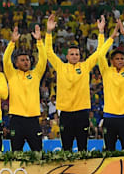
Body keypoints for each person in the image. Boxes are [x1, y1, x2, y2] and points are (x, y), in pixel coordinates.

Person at [45, 14, 107, 151]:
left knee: (82, 147)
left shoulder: (85, 66)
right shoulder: (60, 66)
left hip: (82, 112)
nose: (74, 56)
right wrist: (49, 32)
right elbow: (48, 52)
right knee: (66, 147)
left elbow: (99, 52)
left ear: (80, 56)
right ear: (67, 56)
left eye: (77, 54)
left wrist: (101, 32)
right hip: (65, 113)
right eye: (72, 54)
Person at [3, 21, 47, 152]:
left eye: (27, 59)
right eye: (22, 60)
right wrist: (11, 43)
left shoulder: (36, 74)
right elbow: (5, 60)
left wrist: (39, 41)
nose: (26, 62)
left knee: (38, 153)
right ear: (16, 63)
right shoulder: (11, 74)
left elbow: (43, 60)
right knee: (16, 154)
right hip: (16, 119)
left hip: (33, 119)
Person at [97, 17, 124, 151]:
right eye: (117, 59)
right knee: (109, 151)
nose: (120, 60)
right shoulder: (106, 71)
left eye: (122, 58)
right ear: (112, 61)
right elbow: (100, 55)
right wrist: (112, 36)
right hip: (109, 117)